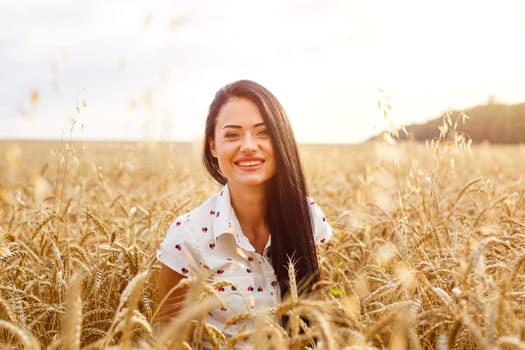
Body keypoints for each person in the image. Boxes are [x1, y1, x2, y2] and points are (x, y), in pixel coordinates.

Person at [157, 79, 332, 342]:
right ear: (213, 146)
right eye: (232, 134)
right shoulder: (188, 238)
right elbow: (173, 343)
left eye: (263, 132)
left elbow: (331, 308)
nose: (249, 145)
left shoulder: (310, 219)